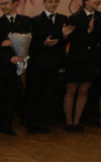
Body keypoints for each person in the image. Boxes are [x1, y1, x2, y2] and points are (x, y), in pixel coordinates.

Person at [0, 0, 31, 136]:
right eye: (1, 4)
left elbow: (27, 41)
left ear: (15, 4)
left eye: (6, 3)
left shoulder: (25, 21)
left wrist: (20, 54)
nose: (3, 7)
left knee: (10, 96)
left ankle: (6, 125)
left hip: (15, 66)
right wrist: (9, 57)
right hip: (0, 66)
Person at [26, 0, 69, 134]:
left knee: (48, 93)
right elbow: (30, 43)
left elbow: (64, 42)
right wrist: (43, 43)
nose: (53, 5)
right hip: (37, 63)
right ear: (44, 3)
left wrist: (64, 37)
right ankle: (31, 123)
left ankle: (42, 121)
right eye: (50, 2)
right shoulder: (35, 20)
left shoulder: (63, 19)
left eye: (55, 2)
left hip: (54, 63)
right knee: (34, 93)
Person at [63, 0, 101, 131]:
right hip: (75, 60)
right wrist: (88, 31)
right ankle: (69, 122)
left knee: (83, 91)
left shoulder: (100, 16)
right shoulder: (75, 17)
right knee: (71, 90)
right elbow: (71, 40)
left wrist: (100, 30)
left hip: (91, 60)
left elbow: (100, 40)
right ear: (86, 1)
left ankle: (77, 121)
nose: (97, 1)